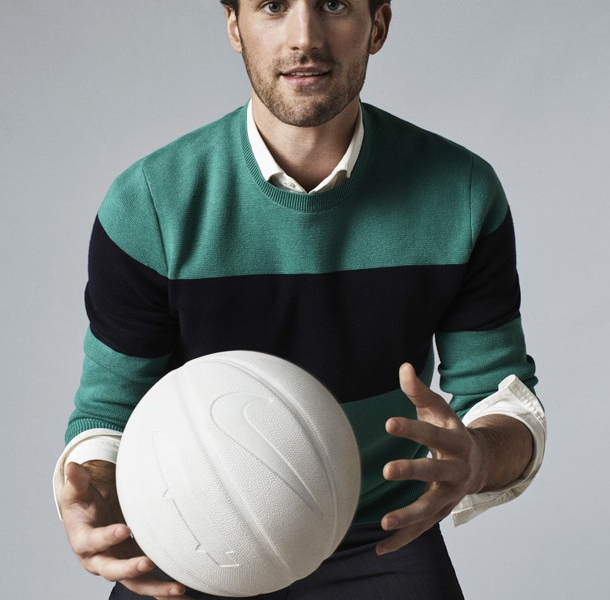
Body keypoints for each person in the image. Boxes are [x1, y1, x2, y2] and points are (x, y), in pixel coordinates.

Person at [53, 1, 546, 598]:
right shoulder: (149, 203)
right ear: (235, 26)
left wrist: (478, 457)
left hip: (380, 536)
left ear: (379, 25)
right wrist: (94, 488)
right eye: (273, 6)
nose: (304, 37)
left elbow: (505, 401)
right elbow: (108, 413)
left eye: (333, 3)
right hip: (194, 541)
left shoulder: (462, 193)